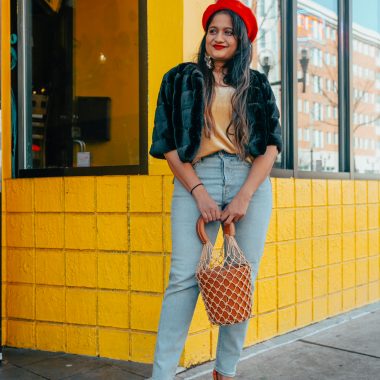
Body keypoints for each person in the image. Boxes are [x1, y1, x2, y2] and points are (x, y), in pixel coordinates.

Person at [149, 1, 282, 379]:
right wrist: (198, 192)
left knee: (241, 276)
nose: (218, 38)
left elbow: (271, 146)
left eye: (228, 32)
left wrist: (244, 196)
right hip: (197, 178)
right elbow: (167, 144)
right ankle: (161, 374)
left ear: (241, 40)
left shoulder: (255, 83)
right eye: (213, 30)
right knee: (183, 279)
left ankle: (225, 372)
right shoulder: (179, 79)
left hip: (248, 179)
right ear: (205, 36)